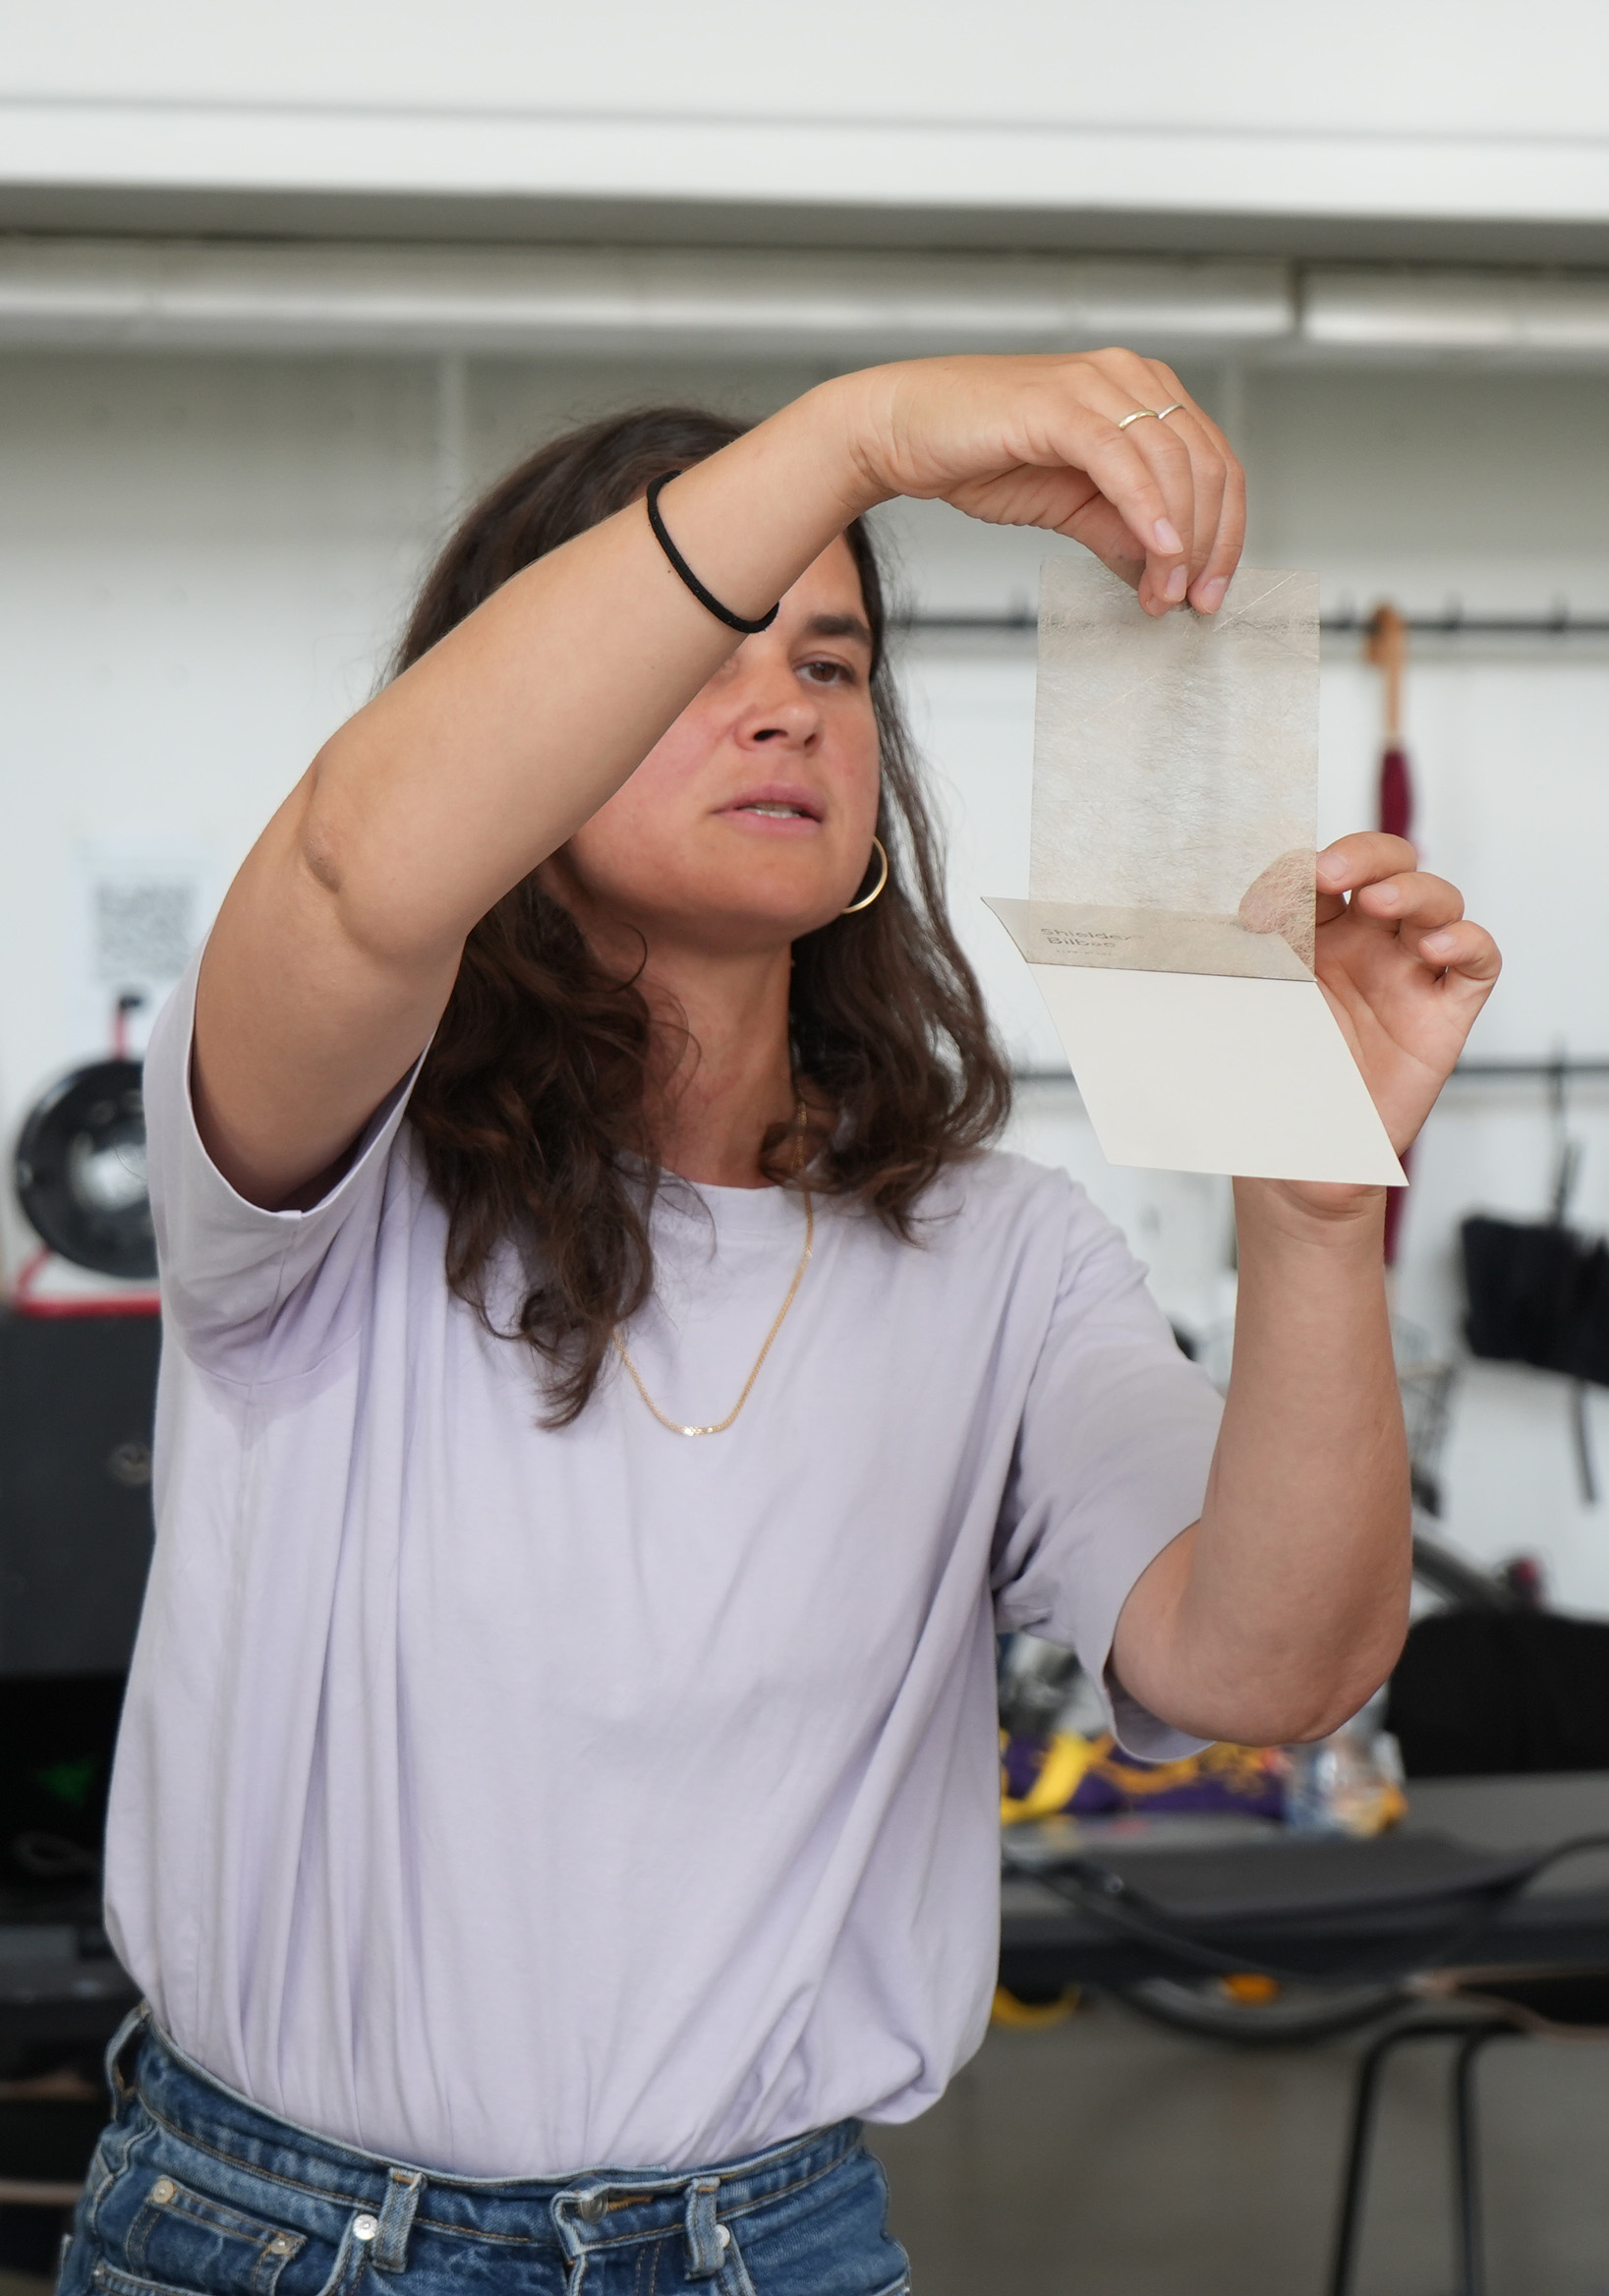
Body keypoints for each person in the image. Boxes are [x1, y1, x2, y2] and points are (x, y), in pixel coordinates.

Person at [65, 353, 1499, 2296]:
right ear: (519, 730)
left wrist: (1315, 1203)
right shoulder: (324, 1180)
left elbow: (1275, 1667)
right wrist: (861, 439)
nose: (783, 703)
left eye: (832, 661)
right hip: (286, 2240)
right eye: (702, 649)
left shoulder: (1001, 1257)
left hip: (775, 2246)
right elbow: (353, 868)